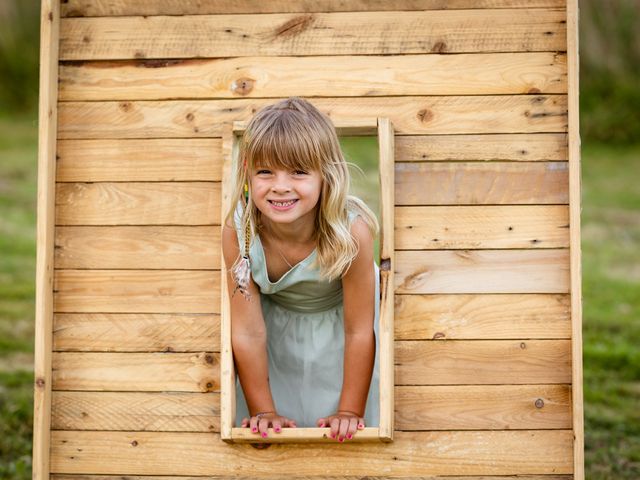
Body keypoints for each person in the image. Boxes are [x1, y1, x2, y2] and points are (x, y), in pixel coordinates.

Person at [222, 96, 380, 444]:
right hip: (276, 335)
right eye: (265, 171)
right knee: (278, 429)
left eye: (298, 171)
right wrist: (262, 410)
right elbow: (248, 332)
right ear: (247, 171)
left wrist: (350, 411)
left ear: (327, 174)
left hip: (341, 330)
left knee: (344, 436)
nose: (280, 186)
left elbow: (358, 330)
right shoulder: (240, 232)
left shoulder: (350, 232)